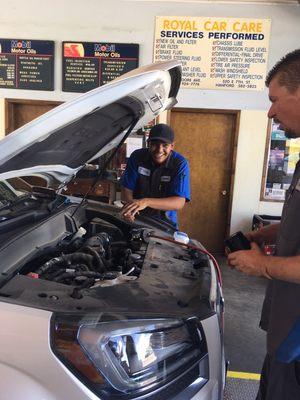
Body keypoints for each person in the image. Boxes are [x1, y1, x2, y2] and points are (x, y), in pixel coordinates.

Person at [227, 48, 300, 400]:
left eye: (274, 100)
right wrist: (267, 233)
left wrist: (262, 264)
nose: (270, 111)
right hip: (286, 327)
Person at [120, 123, 190, 227]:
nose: (159, 150)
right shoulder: (137, 157)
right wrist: (131, 209)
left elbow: (179, 202)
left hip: (165, 224)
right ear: (148, 143)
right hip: (137, 219)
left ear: (172, 146)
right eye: (154, 144)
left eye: (165, 145)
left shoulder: (180, 164)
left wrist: (146, 202)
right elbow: (127, 188)